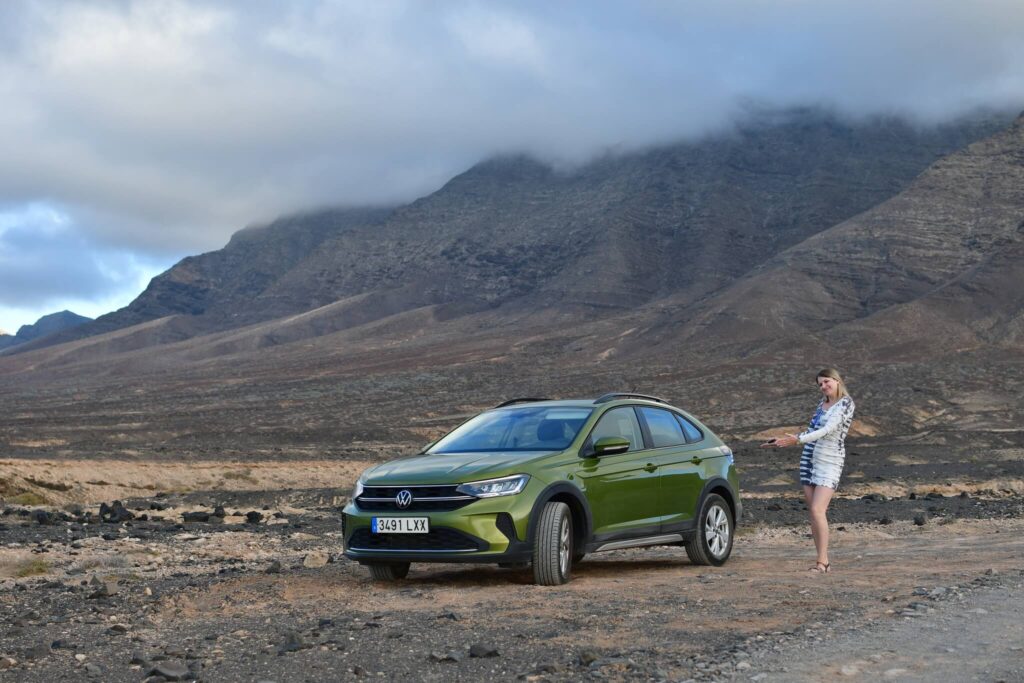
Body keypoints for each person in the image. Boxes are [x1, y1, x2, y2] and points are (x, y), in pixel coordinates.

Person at [760, 368, 855, 573]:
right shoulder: (821, 405)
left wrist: (798, 439)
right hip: (809, 459)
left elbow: (828, 429)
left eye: (826, 382)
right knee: (813, 513)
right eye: (820, 384)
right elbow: (812, 431)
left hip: (830, 461)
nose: (823, 387)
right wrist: (783, 441)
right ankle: (823, 560)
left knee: (817, 510)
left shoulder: (846, 404)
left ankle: (822, 563)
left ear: (837, 381)